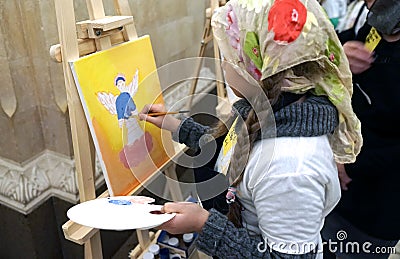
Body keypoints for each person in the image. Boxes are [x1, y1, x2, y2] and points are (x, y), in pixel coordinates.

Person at [139, 0, 362, 258]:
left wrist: (203, 223)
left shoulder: (290, 168)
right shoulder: (271, 113)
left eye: (227, 56)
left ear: (255, 65)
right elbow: (235, 153)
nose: (224, 66)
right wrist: (177, 126)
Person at [321, 0, 400, 258]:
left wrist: (350, 164)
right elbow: (351, 45)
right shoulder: (380, 22)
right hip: (340, 194)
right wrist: (340, 53)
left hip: (375, 209)